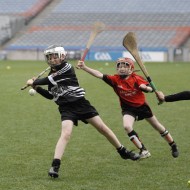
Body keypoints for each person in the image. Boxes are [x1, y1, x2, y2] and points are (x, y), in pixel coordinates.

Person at [25, 45, 140, 178]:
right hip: (66, 108)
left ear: (62, 56)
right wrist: (37, 87)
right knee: (66, 134)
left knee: (102, 128)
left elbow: (49, 80)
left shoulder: (67, 67)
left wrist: (34, 81)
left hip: (81, 104)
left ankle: (122, 151)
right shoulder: (51, 74)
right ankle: (55, 166)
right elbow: (51, 95)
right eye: (49, 57)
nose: (52, 59)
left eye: (54, 56)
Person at [77, 57, 179, 159]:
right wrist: (85, 67)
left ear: (131, 69)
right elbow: (99, 74)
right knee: (127, 126)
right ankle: (143, 150)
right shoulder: (115, 80)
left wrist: (146, 88)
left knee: (157, 126)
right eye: (119, 66)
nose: (121, 68)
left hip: (142, 107)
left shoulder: (136, 78)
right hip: (128, 108)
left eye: (125, 66)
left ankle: (172, 144)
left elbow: (148, 87)